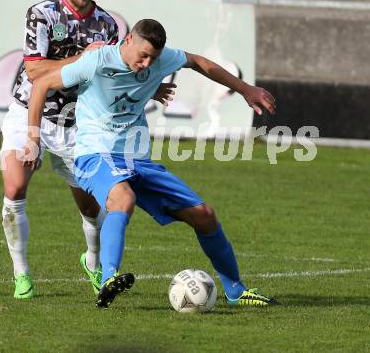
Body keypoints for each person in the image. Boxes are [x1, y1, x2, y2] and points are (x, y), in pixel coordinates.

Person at [25, 19, 279, 309]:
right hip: (94, 155)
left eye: (153, 59)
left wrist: (245, 89)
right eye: (142, 55)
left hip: (137, 160)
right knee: (123, 198)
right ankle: (109, 278)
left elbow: (198, 62)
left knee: (205, 215)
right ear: (128, 39)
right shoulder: (97, 61)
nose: (147, 63)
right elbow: (42, 83)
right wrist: (33, 140)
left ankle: (236, 291)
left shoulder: (159, 60)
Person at [0, 0, 174, 299]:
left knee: (91, 204)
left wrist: (147, 87)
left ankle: (93, 263)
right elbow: (35, 71)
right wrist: (83, 57)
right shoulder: (42, 14)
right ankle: (21, 273)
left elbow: (112, 72)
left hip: (77, 121)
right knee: (15, 188)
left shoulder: (108, 24)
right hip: (29, 111)